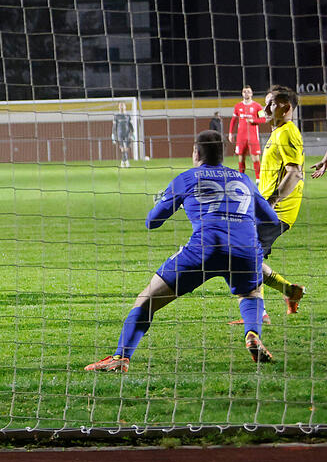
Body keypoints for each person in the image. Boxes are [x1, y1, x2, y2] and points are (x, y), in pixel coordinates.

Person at [85, 130, 278, 373]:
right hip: (245, 249)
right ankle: (252, 334)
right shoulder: (244, 180)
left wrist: (165, 200)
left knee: (147, 299)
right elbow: (272, 219)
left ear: (196, 153)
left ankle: (120, 357)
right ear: (223, 154)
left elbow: (152, 222)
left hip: (204, 248)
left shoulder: (186, 178)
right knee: (250, 294)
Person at [250, 86, 305, 316]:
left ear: (286, 107)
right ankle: (290, 291)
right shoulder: (277, 133)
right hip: (267, 209)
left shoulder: (287, 132)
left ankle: (258, 315)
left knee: (243, 255)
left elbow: (295, 173)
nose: (265, 109)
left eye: (271, 104)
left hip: (277, 212)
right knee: (246, 255)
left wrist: (272, 202)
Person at [228, 86, 264, 182]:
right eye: (244, 92)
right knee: (241, 158)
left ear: (251, 93)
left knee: (255, 158)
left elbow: (263, 119)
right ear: (242, 93)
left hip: (253, 136)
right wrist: (230, 133)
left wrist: (253, 120)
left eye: (248, 91)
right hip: (241, 137)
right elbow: (233, 120)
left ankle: (258, 179)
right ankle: (242, 178)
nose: (246, 93)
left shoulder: (258, 106)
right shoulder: (238, 106)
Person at [112, 102, 134, 168]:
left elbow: (130, 125)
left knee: (126, 148)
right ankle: (126, 162)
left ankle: (123, 162)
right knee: (122, 148)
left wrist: (133, 133)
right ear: (118, 107)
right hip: (120, 134)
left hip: (127, 134)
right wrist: (113, 135)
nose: (121, 107)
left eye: (123, 106)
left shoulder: (128, 115)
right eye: (120, 106)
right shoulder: (116, 116)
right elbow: (114, 127)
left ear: (125, 107)